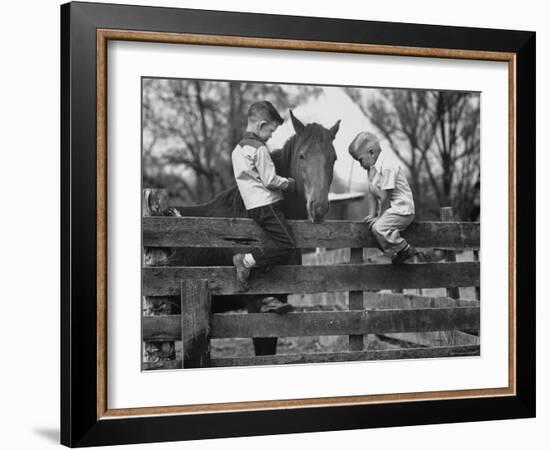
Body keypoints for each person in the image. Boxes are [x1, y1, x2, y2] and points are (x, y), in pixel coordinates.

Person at [231, 101, 297, 313]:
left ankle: (268, 296)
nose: (270, 136)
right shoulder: (259, 149)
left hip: (253, 206)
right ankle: (246, 261)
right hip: (267, 205)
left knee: (272, 248)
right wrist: (288, 183)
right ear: (261, 125)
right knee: (287, 245)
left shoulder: (237, 150)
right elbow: (269, 180)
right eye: (271, 130)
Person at [348, 131, 417, 264]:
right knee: (373, 228)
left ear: (371, 153)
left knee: (379, 228)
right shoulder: (374, 170)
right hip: (392, 211)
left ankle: (405, 249)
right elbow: (372, 194)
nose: (360, 165)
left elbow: (385, 197)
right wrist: (372, 214)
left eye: (360, 160)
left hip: (402, 210)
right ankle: (395, 254)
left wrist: (379, 217)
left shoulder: (387, 166)